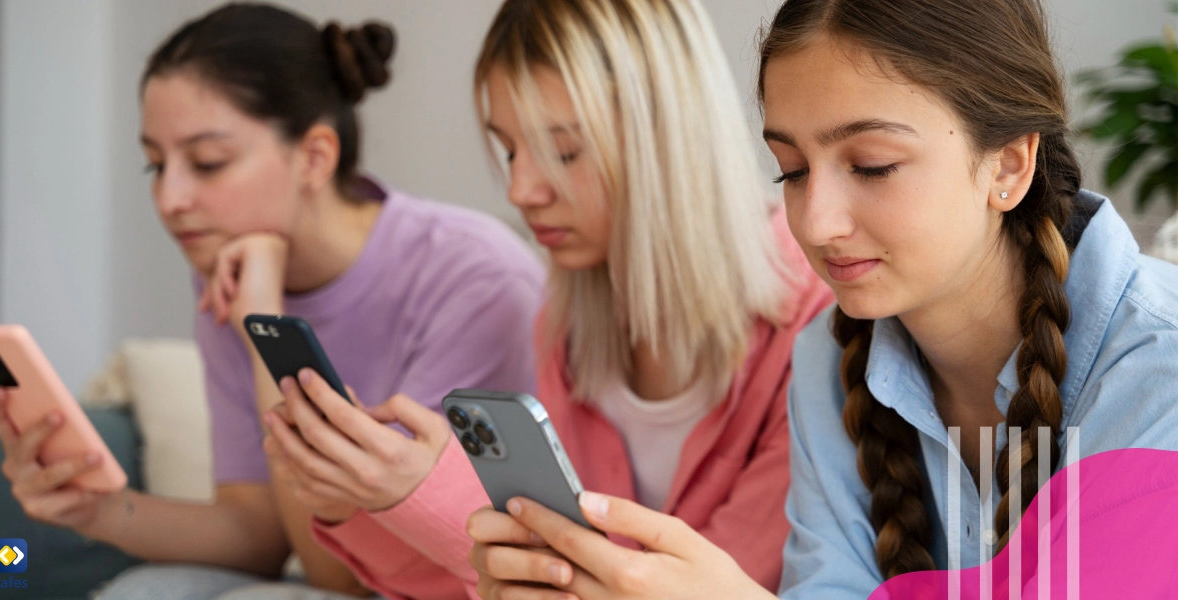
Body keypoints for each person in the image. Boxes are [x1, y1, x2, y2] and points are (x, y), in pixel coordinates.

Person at [464, 0, 1178, 598]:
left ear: (1009, 165)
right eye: (793, 172)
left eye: (871, 166)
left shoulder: (1157, 367)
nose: (814, 223)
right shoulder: (831, 354)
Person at [264, 0, 832, 598]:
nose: (520, 190)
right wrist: (369, 498)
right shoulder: (567, 328)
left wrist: (428, 491)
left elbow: (683, 587)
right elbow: (491, 587)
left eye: (563, 151)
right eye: (510, 149)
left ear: (669, 137)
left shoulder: (815, 327)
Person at [0, 3, 543, 599]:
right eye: (155, 164)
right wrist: (95, 510)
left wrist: (262, 321)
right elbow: (257, 528)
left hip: (434, 584)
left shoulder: (476, 278)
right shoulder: (232, 270)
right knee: (146, 591)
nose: (169, 199)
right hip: (322, 567)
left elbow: (350, 573)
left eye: (207, 163)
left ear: (314, 158)